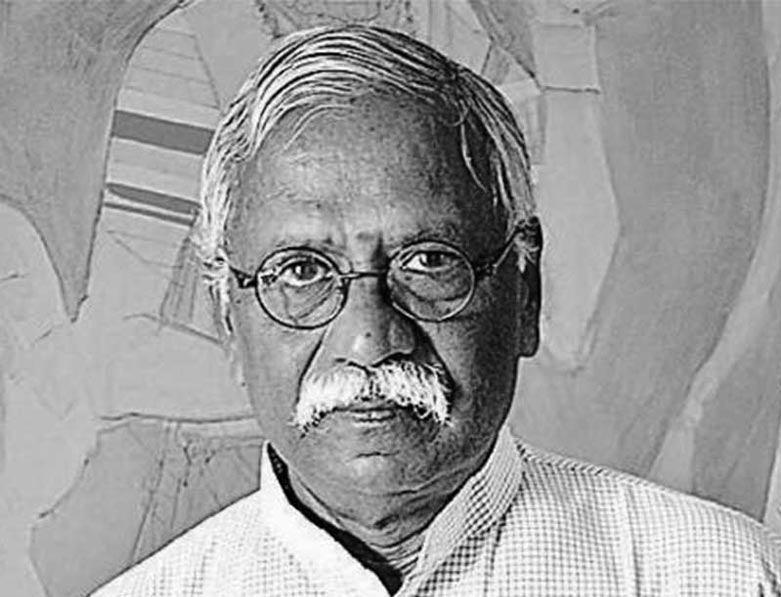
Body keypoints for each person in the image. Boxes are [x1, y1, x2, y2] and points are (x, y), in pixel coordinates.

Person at [92, 24, 781, 597]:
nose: (369, 338)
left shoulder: (722, 576)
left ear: (525, 292)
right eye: (301, 272)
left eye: (427, 262)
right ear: (227, 318)